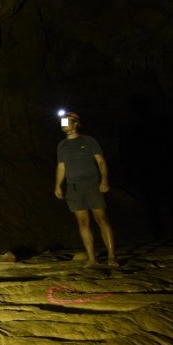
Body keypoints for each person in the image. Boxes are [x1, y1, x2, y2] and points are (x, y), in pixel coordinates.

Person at [54, 112, 117, 266]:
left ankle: (111, 257)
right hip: (74, 187)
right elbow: (61, 167)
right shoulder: (62, 145)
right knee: (82, 222)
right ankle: (91, 259)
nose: (64, 124)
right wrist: (58, 184)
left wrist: (104, 179)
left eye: (67, 121)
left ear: (76, 123)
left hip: (92, 184)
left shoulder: (88, 141)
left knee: (101, 218)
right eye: (62, 121)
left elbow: (101, 161)